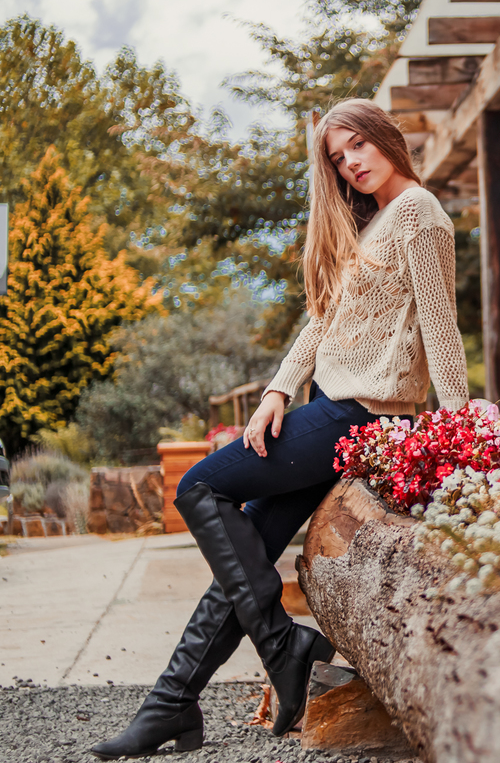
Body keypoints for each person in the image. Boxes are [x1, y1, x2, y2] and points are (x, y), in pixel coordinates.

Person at [92, 98, 469, 759]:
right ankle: (172, 705)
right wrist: (276, 390)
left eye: (357, 145)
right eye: (337, 156)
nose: (351, 163)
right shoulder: (373, 221)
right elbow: (323, 321)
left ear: (385, 137)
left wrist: (458, 438)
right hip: (328, 410)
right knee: (247, 558)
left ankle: (281, 647)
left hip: (359, 418)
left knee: (201, 489)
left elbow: (442, 333)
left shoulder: (417, 213)